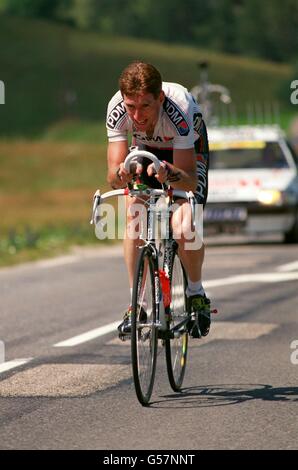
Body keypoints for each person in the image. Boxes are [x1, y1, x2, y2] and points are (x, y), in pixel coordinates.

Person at [106, 61, 211, 338]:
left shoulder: (180, 110)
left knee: (183, 225)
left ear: (160, 98)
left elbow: (188, 178)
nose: (137, 116)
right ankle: (136, 305)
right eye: (131, 107)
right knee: (134, 217)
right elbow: (113, 176)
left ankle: (196, 293)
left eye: (146, 106)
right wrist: (124, 172)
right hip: (145, 149)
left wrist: (168, 173)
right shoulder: (117, 109)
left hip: (185, 150)